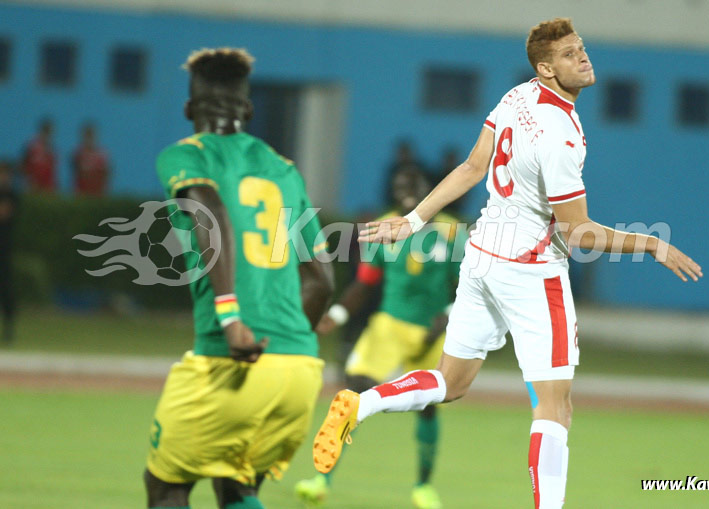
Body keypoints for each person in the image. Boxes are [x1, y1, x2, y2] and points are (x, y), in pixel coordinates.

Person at [311, 18, 703, 508]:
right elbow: (577, 231)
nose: (583, 58)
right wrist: (652, 245)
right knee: (555, 406)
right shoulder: (559, 135)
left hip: (481, 257)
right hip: (532, 271)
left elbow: (474, 167)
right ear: (546, 69)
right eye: (569, 54)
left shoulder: (517, 97)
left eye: (582, 48)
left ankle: (362, 403)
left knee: (450, 382)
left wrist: (412, 220)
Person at [144, 47, 334, 509]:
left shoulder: (184, 155)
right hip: (299, 369)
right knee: (237, 486)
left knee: (167, 484)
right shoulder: (285, 170)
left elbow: (209, 209)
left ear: (190, 110)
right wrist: (282, 348)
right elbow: (322, 282)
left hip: (228, 359)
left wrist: (230, 317)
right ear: (247, 111)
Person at [295, 167, 463, 509]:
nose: (407, 190)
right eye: (401, 185)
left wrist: (445, 317)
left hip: (431, 329)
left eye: (414, 183)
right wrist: (337, 314)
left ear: (430, 188)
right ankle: (322, 479)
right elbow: (366, 280)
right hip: (389, 324)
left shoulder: (452, 232)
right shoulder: (386, 226)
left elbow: (468, 288)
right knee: (352, 390)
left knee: (430, 407)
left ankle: (423, 486)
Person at [0, 161, 17, 344]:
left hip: (4, 249)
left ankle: (8, 329)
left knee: (6, 290)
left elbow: (5, 213)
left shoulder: (12, 195)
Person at [72, 122, 110, 196]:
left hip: (98, 194)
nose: (89, 138)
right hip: (82, 194)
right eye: (87, 135)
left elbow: (106, 174)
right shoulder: (78, 154)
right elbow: (77, 173)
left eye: (91, 135)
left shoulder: (102, 155)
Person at [21, 119, 57, 192]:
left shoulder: (52, 150)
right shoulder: (31, 146)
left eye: (49, 132)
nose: (47, 134)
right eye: (45, 131)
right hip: (32, 186)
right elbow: (23, 164)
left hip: (47, 187)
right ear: (40, 130)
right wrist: (27, 180)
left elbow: (53, 170)